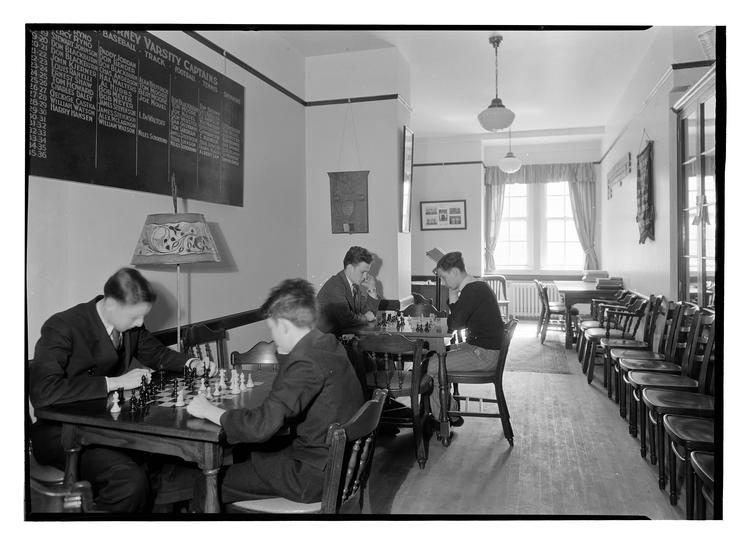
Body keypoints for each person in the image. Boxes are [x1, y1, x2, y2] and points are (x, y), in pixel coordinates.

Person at [29, 267, 211, 513]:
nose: (140, 323)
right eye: (135, 316)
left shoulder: (129, 326)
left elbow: (158, 354)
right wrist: (115, 382)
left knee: (170, 461)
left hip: (106, 425)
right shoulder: (62, 326)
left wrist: (191, 363)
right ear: (112, 305)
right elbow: (43, 392)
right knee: (129, 481)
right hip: (61, 434)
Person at [187, 278, 364, 505]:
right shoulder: (327, 343)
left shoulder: (305, 361)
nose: (272, 336)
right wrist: (285, 351)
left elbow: (260, 426)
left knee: (205, 482)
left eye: (272, 328)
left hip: (312, 476)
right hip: (337, 464)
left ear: (284, 326)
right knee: (251, 455)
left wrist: (208, 410)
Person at [427, 251, 504, 425]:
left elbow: (454, 323)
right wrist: (453, 294)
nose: (443, 282)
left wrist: (452, 296)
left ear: (455, 272)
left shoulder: (472, 291)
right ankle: (449, 411)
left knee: (430, 367)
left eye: (444, 278)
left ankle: (443, 418)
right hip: (479, 348)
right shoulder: (475, 287)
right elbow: (458, 319)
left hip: (484, 355)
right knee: (434, 357)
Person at [316, 246, 381, 336]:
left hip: (338, 337)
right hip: (323, 340)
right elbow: (347, 320)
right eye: (363, 272)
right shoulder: (336, 285)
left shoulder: (354, 286)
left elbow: (370, 313)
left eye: (367, 272)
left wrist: (372, 289)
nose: (365, 277)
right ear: (350, 269)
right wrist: (366, 318)